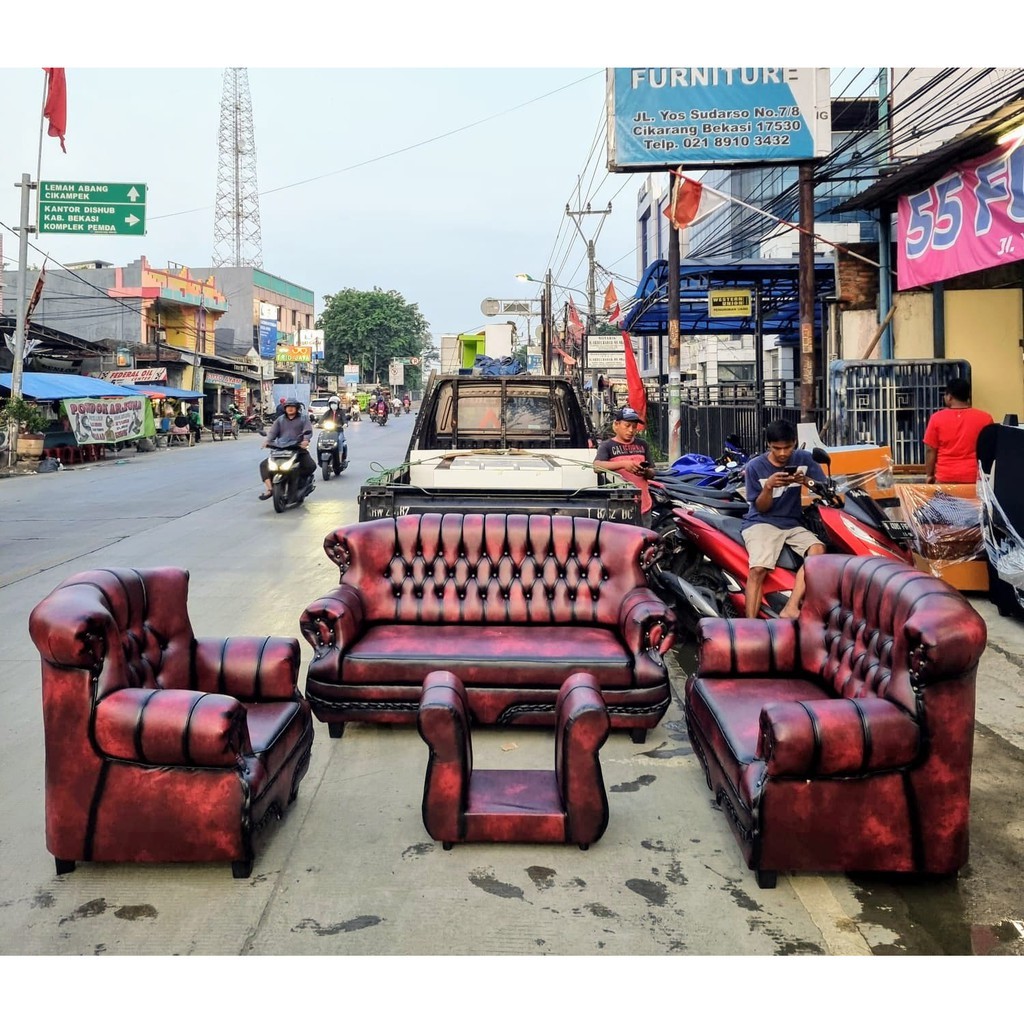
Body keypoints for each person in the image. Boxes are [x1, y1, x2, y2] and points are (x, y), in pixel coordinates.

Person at [740, 419, 827, 618]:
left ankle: (791, 607)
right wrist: (769, 487)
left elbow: (824, 488)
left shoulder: (804, 459)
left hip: (792, 523)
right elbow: (761, 508)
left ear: (794, 442)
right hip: (761, 522)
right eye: (777, 448)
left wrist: (805, 480)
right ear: (768, 445)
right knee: (758, 569)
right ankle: (750, 624)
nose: (782, 453)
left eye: (787, 448)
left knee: (818, 550)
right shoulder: (755, 467)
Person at [592, 406, 656, 527]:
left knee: (644, 536)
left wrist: (645, 472)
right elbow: (597, 466)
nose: (631, 430)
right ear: (616, 425)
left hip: (643, 506)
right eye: (627, 426)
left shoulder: (643, 445)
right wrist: (623, 464)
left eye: (634, 426)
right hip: (618, 508)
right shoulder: (607, 446)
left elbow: (652, 472)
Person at [923, 378, 993, 484]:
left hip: (945, 477)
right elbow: (990, 450)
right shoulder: (985, 418)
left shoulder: (936, 418)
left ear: (949, 397)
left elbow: (930, 450)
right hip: (974, 478)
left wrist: (929, 475)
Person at [258, 399, 316, 500]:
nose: (290, 409)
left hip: (297, 449)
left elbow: (308, 431)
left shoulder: (303, 419)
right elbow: (272, 433)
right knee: (264, 465)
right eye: (288, 407)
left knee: (311, 466)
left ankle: (301, 484)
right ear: (285, 408)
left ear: (297, 408)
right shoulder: (280, 420)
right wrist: (267, 441)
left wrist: (305, 440)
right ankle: (270, 489)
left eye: (292, 407)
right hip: (280, 449)